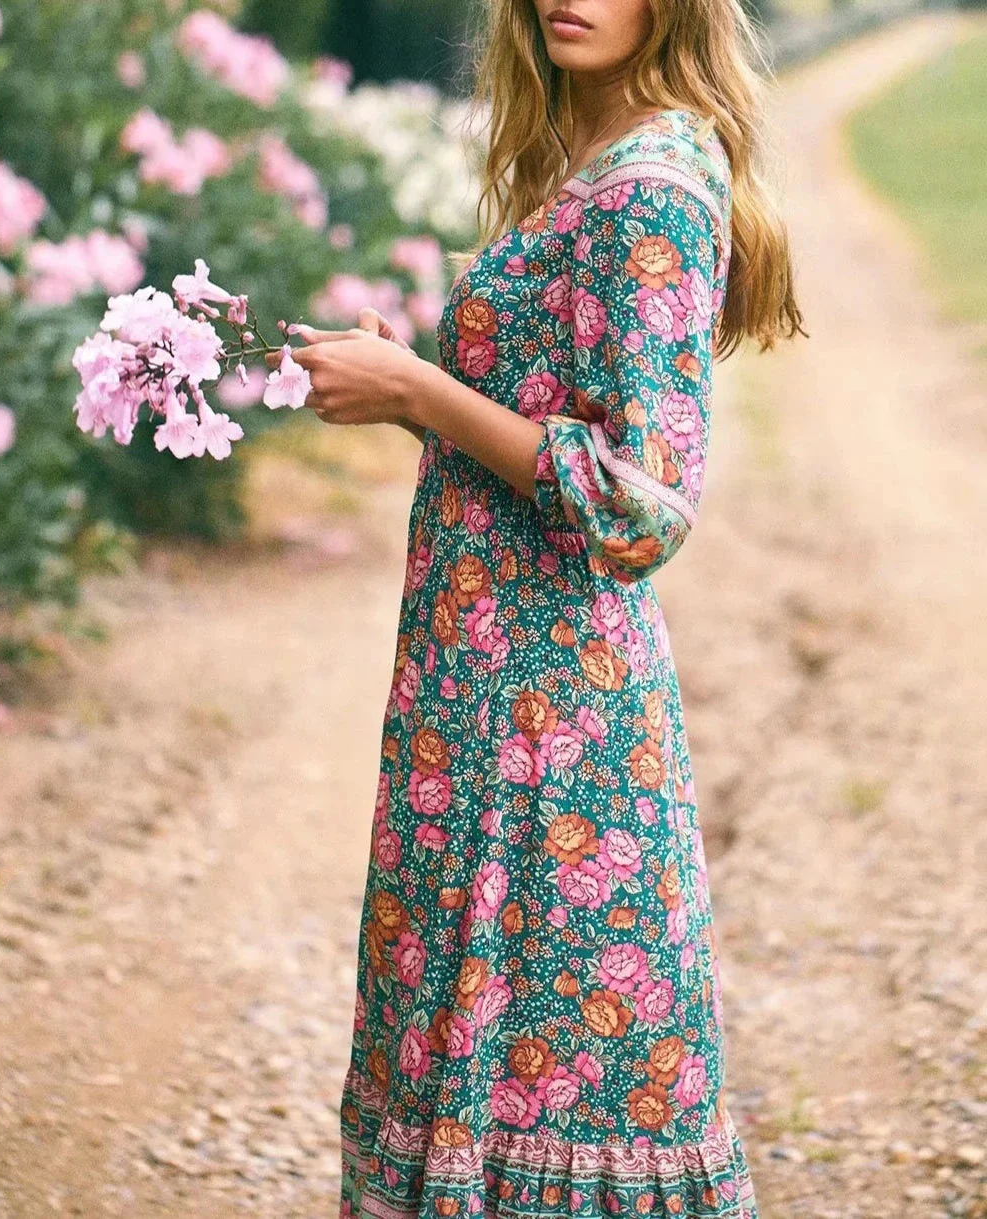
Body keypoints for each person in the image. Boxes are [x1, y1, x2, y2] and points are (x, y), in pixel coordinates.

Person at [268, 0, 805, 1214]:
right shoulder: (588, 161)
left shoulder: (653, 186)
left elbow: (645, 503)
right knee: (480, 1040)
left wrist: (419, 389)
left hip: (551, 722)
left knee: (553, 1064)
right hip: (479, 693)